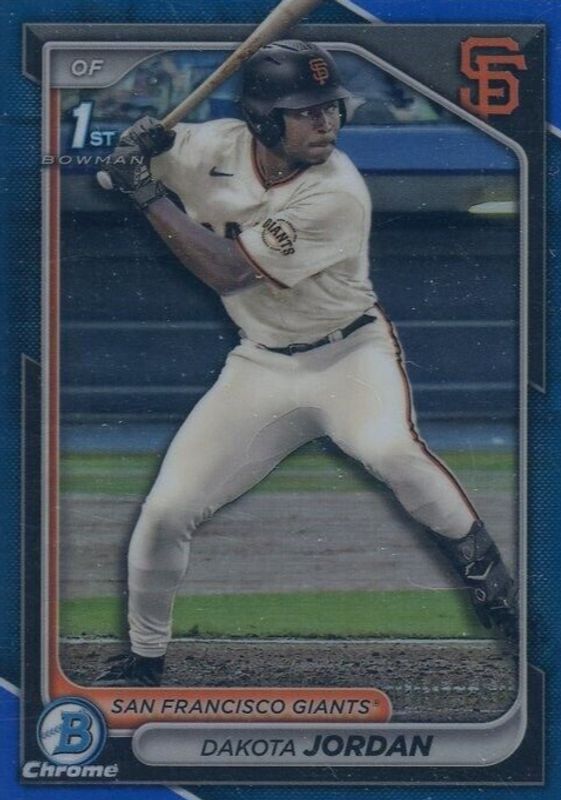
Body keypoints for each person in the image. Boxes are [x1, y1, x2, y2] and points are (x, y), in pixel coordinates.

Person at [95, 40, 517, 687]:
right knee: (165, 513)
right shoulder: (209, 146)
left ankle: (493, 585)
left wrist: (147, 194)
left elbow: (228, 272)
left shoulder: (337, 192)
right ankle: (143, 660)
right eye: (305, 110)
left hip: (350, 356)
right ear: (263, 120)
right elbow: (115, 172)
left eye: (329, 107)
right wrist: (133, 153)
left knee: (390, 450)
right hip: (259, 366)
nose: (325, 122)